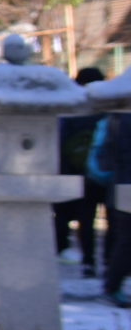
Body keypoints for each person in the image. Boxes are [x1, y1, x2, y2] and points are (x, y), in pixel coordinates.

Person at [57, 68, 105, 275]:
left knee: (72, 216)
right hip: (101, 172)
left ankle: (75, 255)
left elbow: (59, 142)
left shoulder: (69, 109)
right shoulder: (106, 109)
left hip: (72, 171)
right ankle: (99, 261)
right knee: (98, 218)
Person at [96, 107, 131, 308]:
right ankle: (112, 286)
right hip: (126, 185)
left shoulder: (115, 116)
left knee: (124, 238)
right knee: (126, 241)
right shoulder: (124, 119)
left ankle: (112, 285)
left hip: (118, 184)